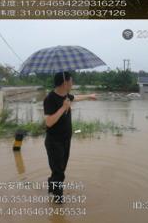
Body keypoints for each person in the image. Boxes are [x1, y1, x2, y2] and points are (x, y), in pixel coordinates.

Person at [44, 72, 97, 203]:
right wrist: (63, 108)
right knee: (60, 173)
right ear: (65, 82)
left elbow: (75, 97)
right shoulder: (50, 98)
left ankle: (51, 183)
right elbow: (48, 122)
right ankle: (57, 202)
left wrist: (89, 96)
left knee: (60, 169)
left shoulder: (66, 95)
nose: (72, 83)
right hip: (54, 141)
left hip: (65, 140)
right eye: (71, 81)